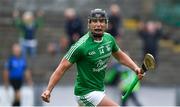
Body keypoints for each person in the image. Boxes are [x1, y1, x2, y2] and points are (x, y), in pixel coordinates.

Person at [41, 8, 144, 106]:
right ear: (89, 24)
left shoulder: (109, 39)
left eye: (101, 21)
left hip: (99, 90)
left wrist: (135, 68)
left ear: (106, 24)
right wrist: (48, 90)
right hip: (86, 93)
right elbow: (61, 69)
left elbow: (120, 56)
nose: (98, 24)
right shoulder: (80, 46)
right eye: (94, 21)